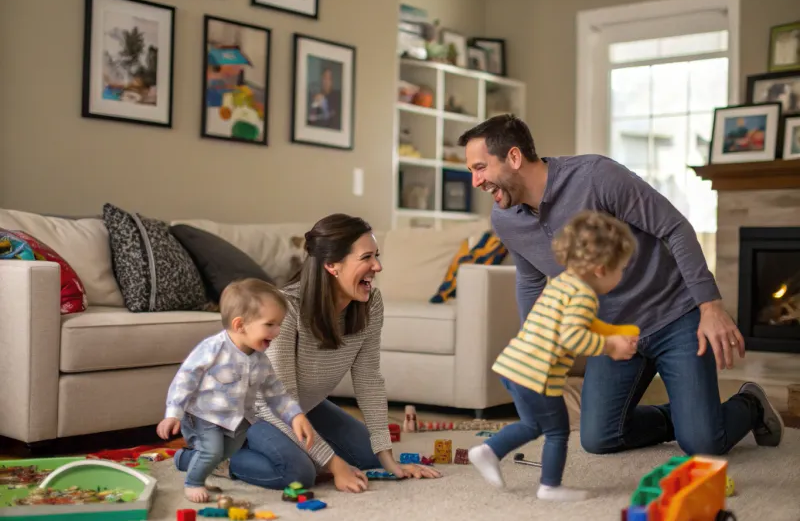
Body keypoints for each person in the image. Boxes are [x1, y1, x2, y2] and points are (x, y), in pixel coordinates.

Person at [458, 114, 784, 457]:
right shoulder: (505, 219)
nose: (476, 181)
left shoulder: (596, 177)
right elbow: (530, 279)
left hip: (674, 315)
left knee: (704, 444)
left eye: (480, 167)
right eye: (471, 171)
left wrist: (710, 306)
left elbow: (675, 227)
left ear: (513, 157)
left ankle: (749, 404)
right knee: (599, 437)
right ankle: (694, 418)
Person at [177, 214, 441, 493]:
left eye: (376, 255)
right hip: (247, 412)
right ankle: (209, 459)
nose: (378, 266)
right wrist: (335, 466)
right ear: (331, 265)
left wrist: (389, 462)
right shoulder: (287, 310)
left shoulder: (370, 303)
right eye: (367, 258)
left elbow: (369, 380)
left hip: (300, 405)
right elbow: (275, 404)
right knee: (298, 473)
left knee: (367, 456)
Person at [470, 211, 639, 501]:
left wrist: (613, 332)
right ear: (600, 268)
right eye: (621, 269)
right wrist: (611, 346)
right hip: (536, 375)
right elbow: (572, 336)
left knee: (532, 425)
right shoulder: (585, 296)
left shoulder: (562, 283)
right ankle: (549, 486)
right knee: (558, 430)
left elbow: (580, 325)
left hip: (514, 367)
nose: (621, 275)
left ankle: (489, 451)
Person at [158, 278, 315, 503]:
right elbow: (185, 379)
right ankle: (193, 482)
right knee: (212, 451)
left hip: (238, 419)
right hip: (204, 415)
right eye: (270, 324)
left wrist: (295, 416)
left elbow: (276, 393)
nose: (278, 331)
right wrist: (173, 413)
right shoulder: (213, 349)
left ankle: (197, 462)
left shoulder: (261, 360)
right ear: (240, 325)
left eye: (279, 324)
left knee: (226, 453)